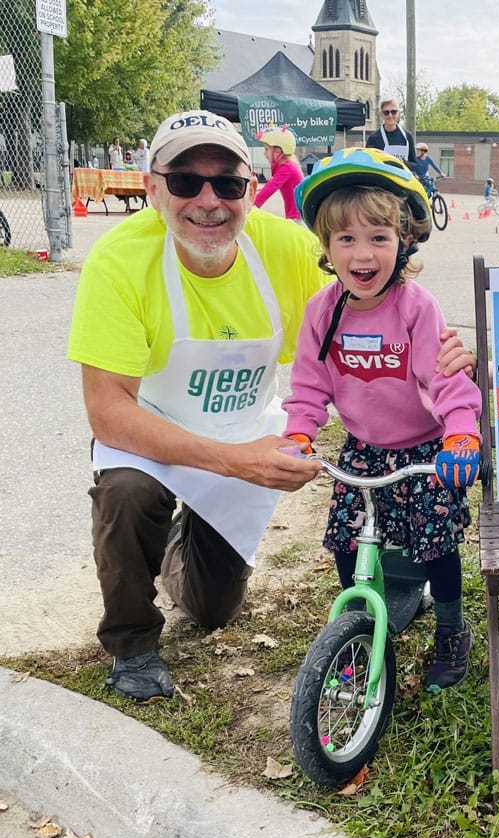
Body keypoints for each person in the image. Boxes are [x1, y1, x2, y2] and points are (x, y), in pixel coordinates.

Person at [67, 110, 473, 703]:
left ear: (251, 191)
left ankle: (446, 625)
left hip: (250, 434)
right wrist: (244, 456)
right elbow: (109, 413)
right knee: (128, 494)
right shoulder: (117, 261)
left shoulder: (288, 249)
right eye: (184, 181)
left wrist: (462, 374)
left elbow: (392, 324)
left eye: (228, 183)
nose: (208, 200)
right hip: (152, 441)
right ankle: (132, 645)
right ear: (153, 187)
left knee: (213, 609)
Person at [283, 147, 482, 692]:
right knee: (346, 537)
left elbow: (446, 379)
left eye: (379, 237)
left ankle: (449, 627)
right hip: (364, 447)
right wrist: (299, 433)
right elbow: (308, 385)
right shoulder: (323, 312)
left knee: (435, 540)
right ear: (326, 247)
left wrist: (461, 433)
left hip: (425, 448)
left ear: (404, 241)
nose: (362, 252)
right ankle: (360, 625)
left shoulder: (416, 307)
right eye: (346, 238)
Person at [253, 124, 304, 222]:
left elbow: (271, 187)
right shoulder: (288, 165)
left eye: (267, 149)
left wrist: (253, 204)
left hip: (296, 217)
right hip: (295, 215)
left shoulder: (287, 168)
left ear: (278, 151)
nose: (264, 153)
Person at [365, 98, 416, 167]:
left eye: (393, 112)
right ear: (381, 115)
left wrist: (402, 162)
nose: (390, 115)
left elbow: (414, 165)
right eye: (386, 112)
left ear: (398, 113)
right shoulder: (373, 138)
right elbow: (367, 163)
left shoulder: (407, 136)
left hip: (402, 177)